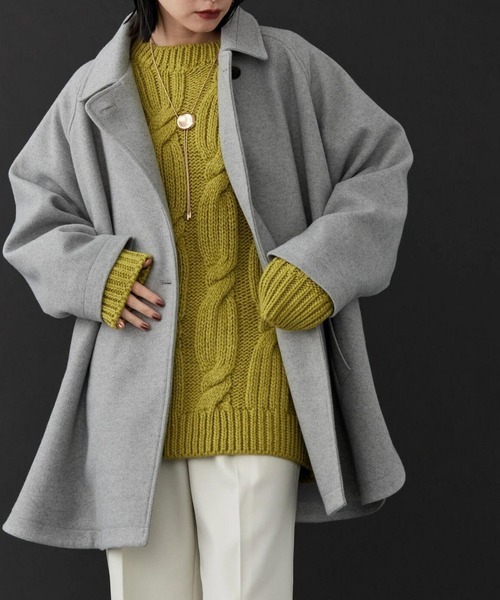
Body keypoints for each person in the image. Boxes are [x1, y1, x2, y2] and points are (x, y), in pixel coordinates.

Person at [2, 1, 414, 598]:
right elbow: (36, 219)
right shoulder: (94, 86)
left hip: (257, 381)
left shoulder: (287, 64)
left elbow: (381, 164)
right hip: (134, 397)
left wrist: (317, 267)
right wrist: (99, 274)